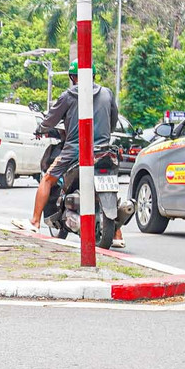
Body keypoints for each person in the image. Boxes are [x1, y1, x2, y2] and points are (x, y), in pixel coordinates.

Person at [28, 65, 122, 246]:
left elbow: (51, 120)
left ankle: (35, 221)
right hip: (104, 150)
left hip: (75, 149)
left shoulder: (68, 96)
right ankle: (117, 233)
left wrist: (40, 129)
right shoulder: (107, 93)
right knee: (110, 184)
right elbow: (113, 120)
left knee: (47, 179)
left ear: (73, 77)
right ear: (93, 75)